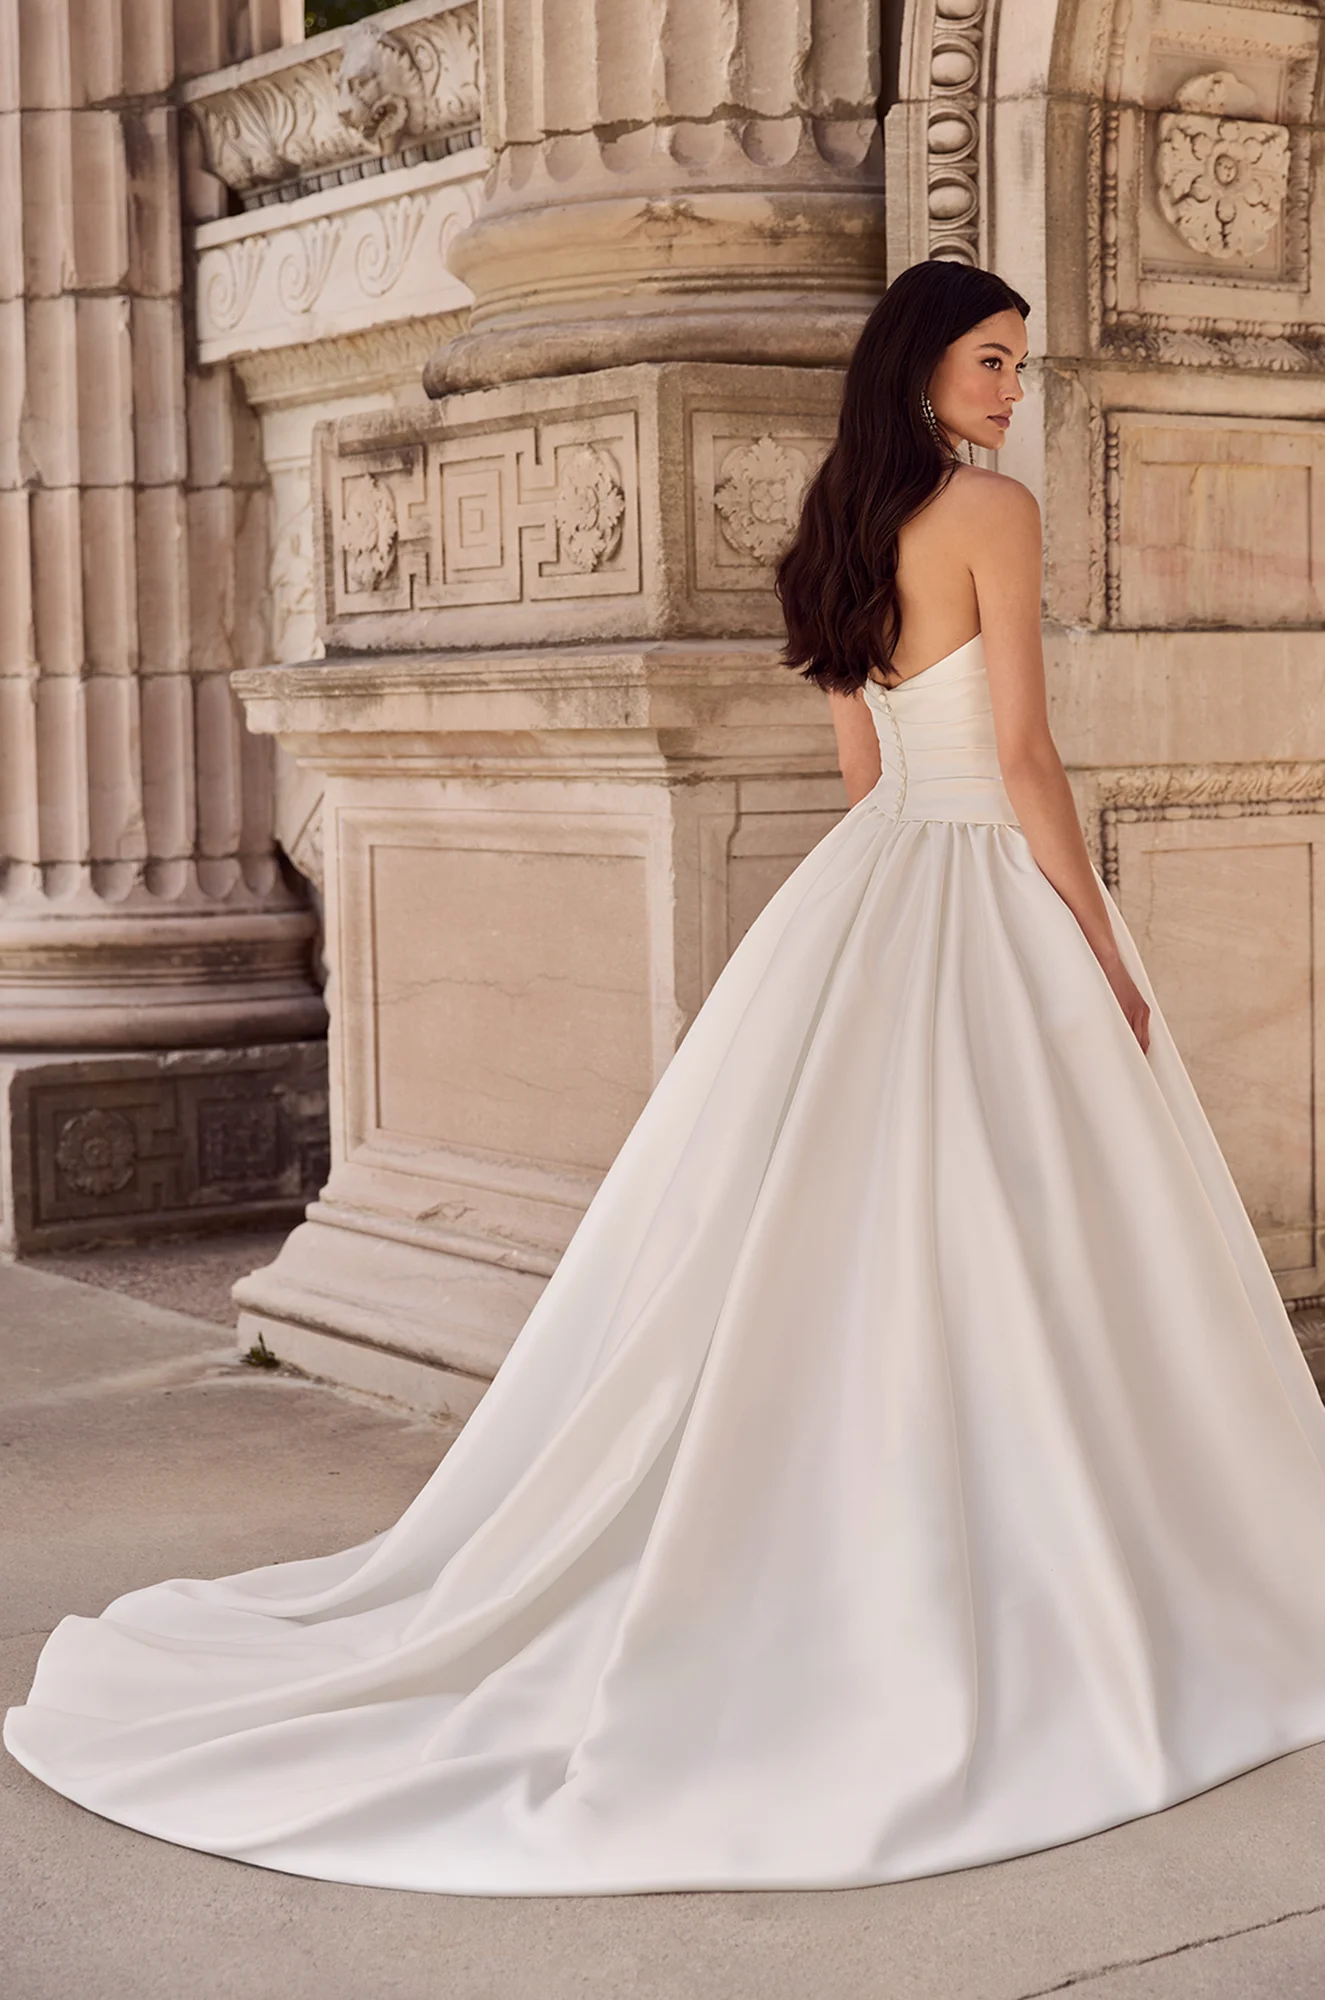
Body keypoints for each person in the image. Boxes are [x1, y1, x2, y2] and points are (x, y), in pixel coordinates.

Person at [9, 262, 1325, 1898]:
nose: (1012, 390)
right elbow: (1030, 758)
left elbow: (867, 768)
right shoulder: (992, 511)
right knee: (1042, 1221)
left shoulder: (844, 523)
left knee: (862, 1231)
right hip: (987, 878)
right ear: (925, 366)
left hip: (875, 886)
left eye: (1019, 366)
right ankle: (1079, 1549)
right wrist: (1105, 956)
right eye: (994, 362)